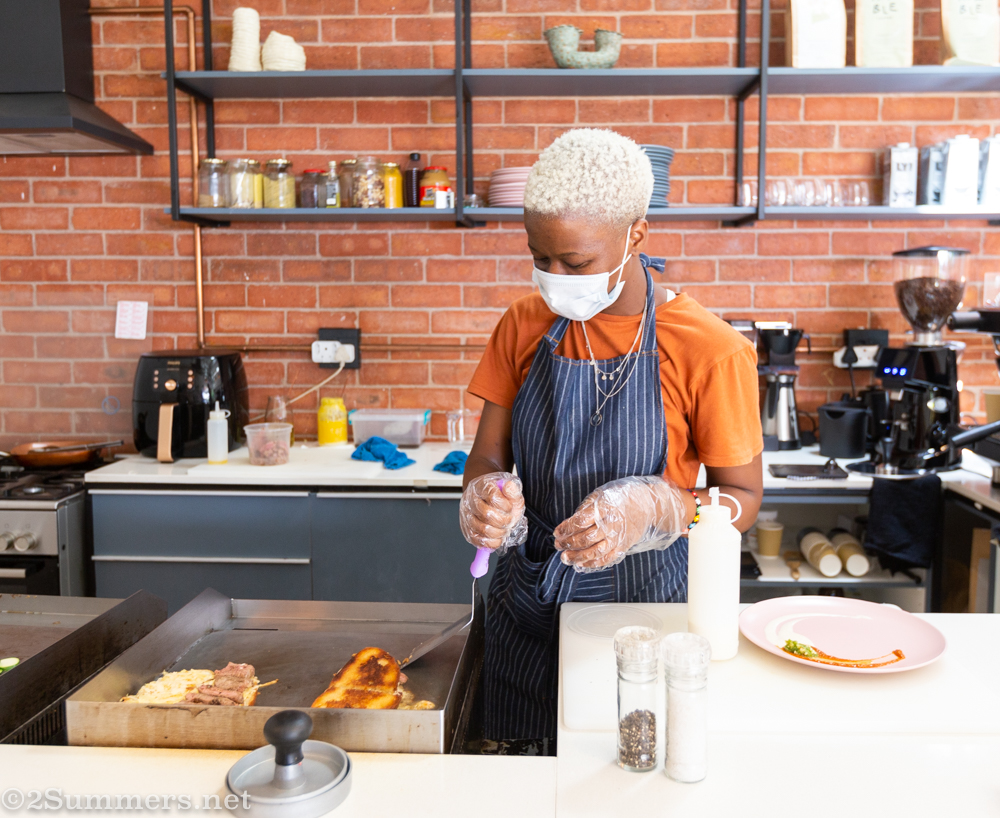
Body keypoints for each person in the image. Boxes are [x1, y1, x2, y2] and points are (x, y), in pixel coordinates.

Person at [460, 128, 764, 745]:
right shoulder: (523, 324)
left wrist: (658, 506)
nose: (553, 276)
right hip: (528, 603)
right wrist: (485, 495)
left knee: (620, 771)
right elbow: (488, 456)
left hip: (644, 617)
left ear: (637, 234)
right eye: (538, 256)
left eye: (575, 263)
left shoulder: (711, 349)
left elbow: (743, 499)